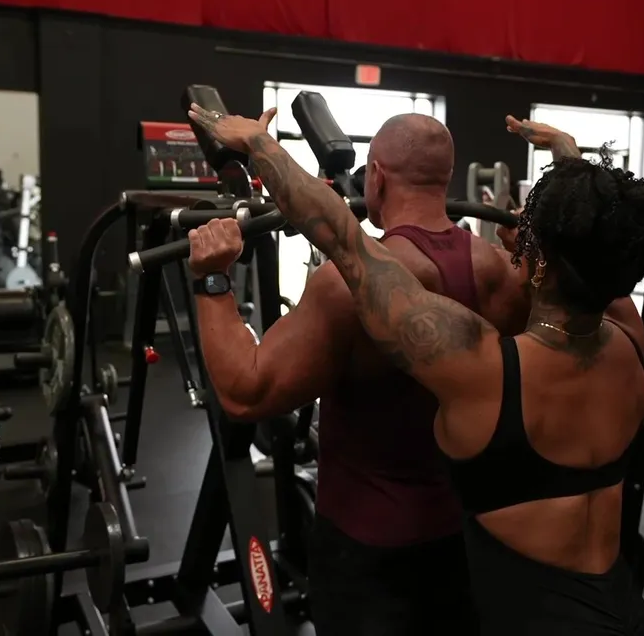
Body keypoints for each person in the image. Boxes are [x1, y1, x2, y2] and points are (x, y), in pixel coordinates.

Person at [188, 103, 644, 635]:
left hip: (421, 577)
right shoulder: (629, 342)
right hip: (615, 609)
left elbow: (343, 246)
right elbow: (596, 246)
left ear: (376, 176)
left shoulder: (485, 368)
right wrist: (568, 165)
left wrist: (220, 257)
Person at [185, 113, 529, 636]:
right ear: (447, 177)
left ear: (377, 177)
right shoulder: (505, 270)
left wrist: (212, 279)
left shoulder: (345, 288)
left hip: (367, 553)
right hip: (468, 536)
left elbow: (245, 392)